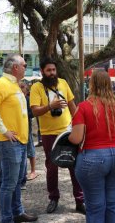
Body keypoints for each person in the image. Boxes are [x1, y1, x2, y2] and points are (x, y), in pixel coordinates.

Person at [68, 69, 115, 223]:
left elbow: (76, 138)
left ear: (91, 85)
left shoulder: (83, 107)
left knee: (95, 206)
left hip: (92, 158)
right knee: (111, 203)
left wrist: (67, 134)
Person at [0, 54, 38, 223]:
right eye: (24, 64)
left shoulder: (14, 85)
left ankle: (17, 213)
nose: (26, 67)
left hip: (19, 142)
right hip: (10, 143)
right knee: (8, 184)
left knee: (16, 183)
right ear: (15, 67)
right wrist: (4, 130)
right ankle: (7, 218)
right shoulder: (1, 84)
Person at [30, 57, 85, 214]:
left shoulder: (63, 82)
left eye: (54, 70)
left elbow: (72, 106)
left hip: (68, 131)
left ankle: (80, 200)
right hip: (49, 134)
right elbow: (34, 111)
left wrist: (79, 125)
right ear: (42, 71)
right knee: (52, 166)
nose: (52, 73)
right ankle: (53, 198)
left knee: (74, 164)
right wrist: (50, 106)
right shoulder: (37, 87)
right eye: (48, 70)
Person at [19, 81, 38, 181]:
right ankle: (22, 171)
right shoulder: (16, 99)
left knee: (30, 149)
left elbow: (32, 114)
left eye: (23, 87)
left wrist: (25, 114)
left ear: (26, 90)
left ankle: (33, 170)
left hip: (27, 128)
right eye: (19, 87)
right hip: (18, 130)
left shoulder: (27, 100)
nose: (21, 89)